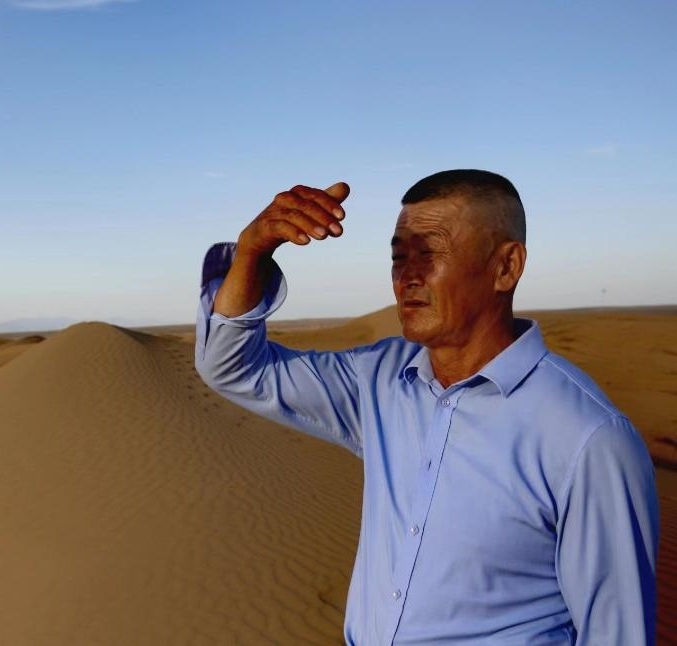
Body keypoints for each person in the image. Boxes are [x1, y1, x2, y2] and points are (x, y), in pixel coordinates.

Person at [194, 169, 659, 645]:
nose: (407, 278)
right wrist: (252, 251)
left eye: (430, 253)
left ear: (506, 267)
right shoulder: (379, 381)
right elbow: (232, 367)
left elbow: (616, 632)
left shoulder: (587, 437)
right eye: (399, 257)